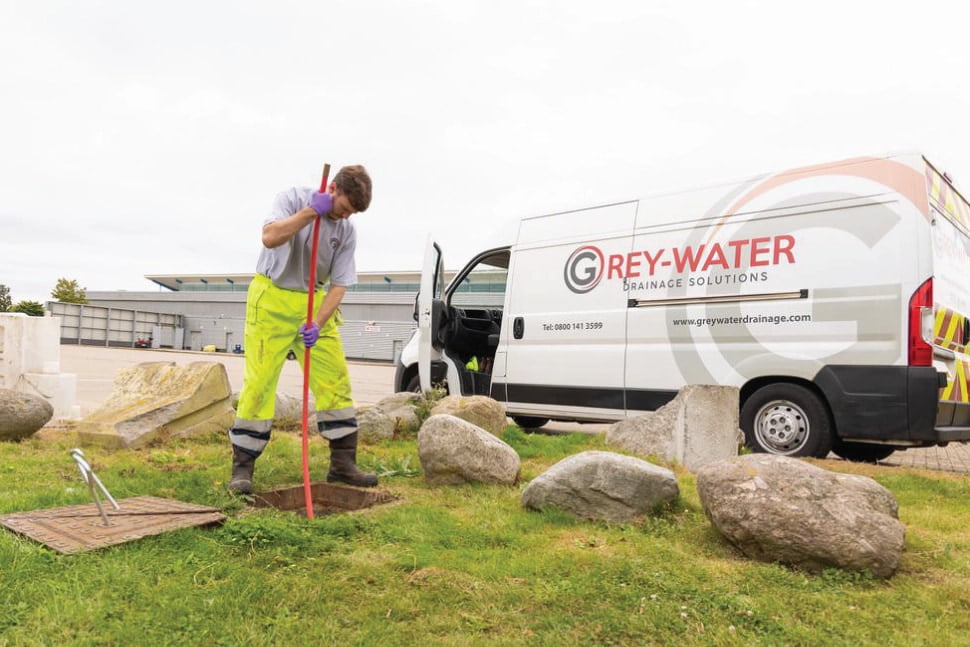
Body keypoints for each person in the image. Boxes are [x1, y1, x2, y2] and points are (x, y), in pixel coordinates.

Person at [228, 165, 376, 494]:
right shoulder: (292, 199)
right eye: (342, 208)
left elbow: (339, 285)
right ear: (333, 189)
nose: (346, 217)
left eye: (353, 213)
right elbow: (270, 237)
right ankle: (242, 468)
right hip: (271, 300)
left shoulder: (347, 232)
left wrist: (317, 322)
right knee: (259, 383)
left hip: (314, 304)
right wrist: (312, 212)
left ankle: (342, 464)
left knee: (335, 380)